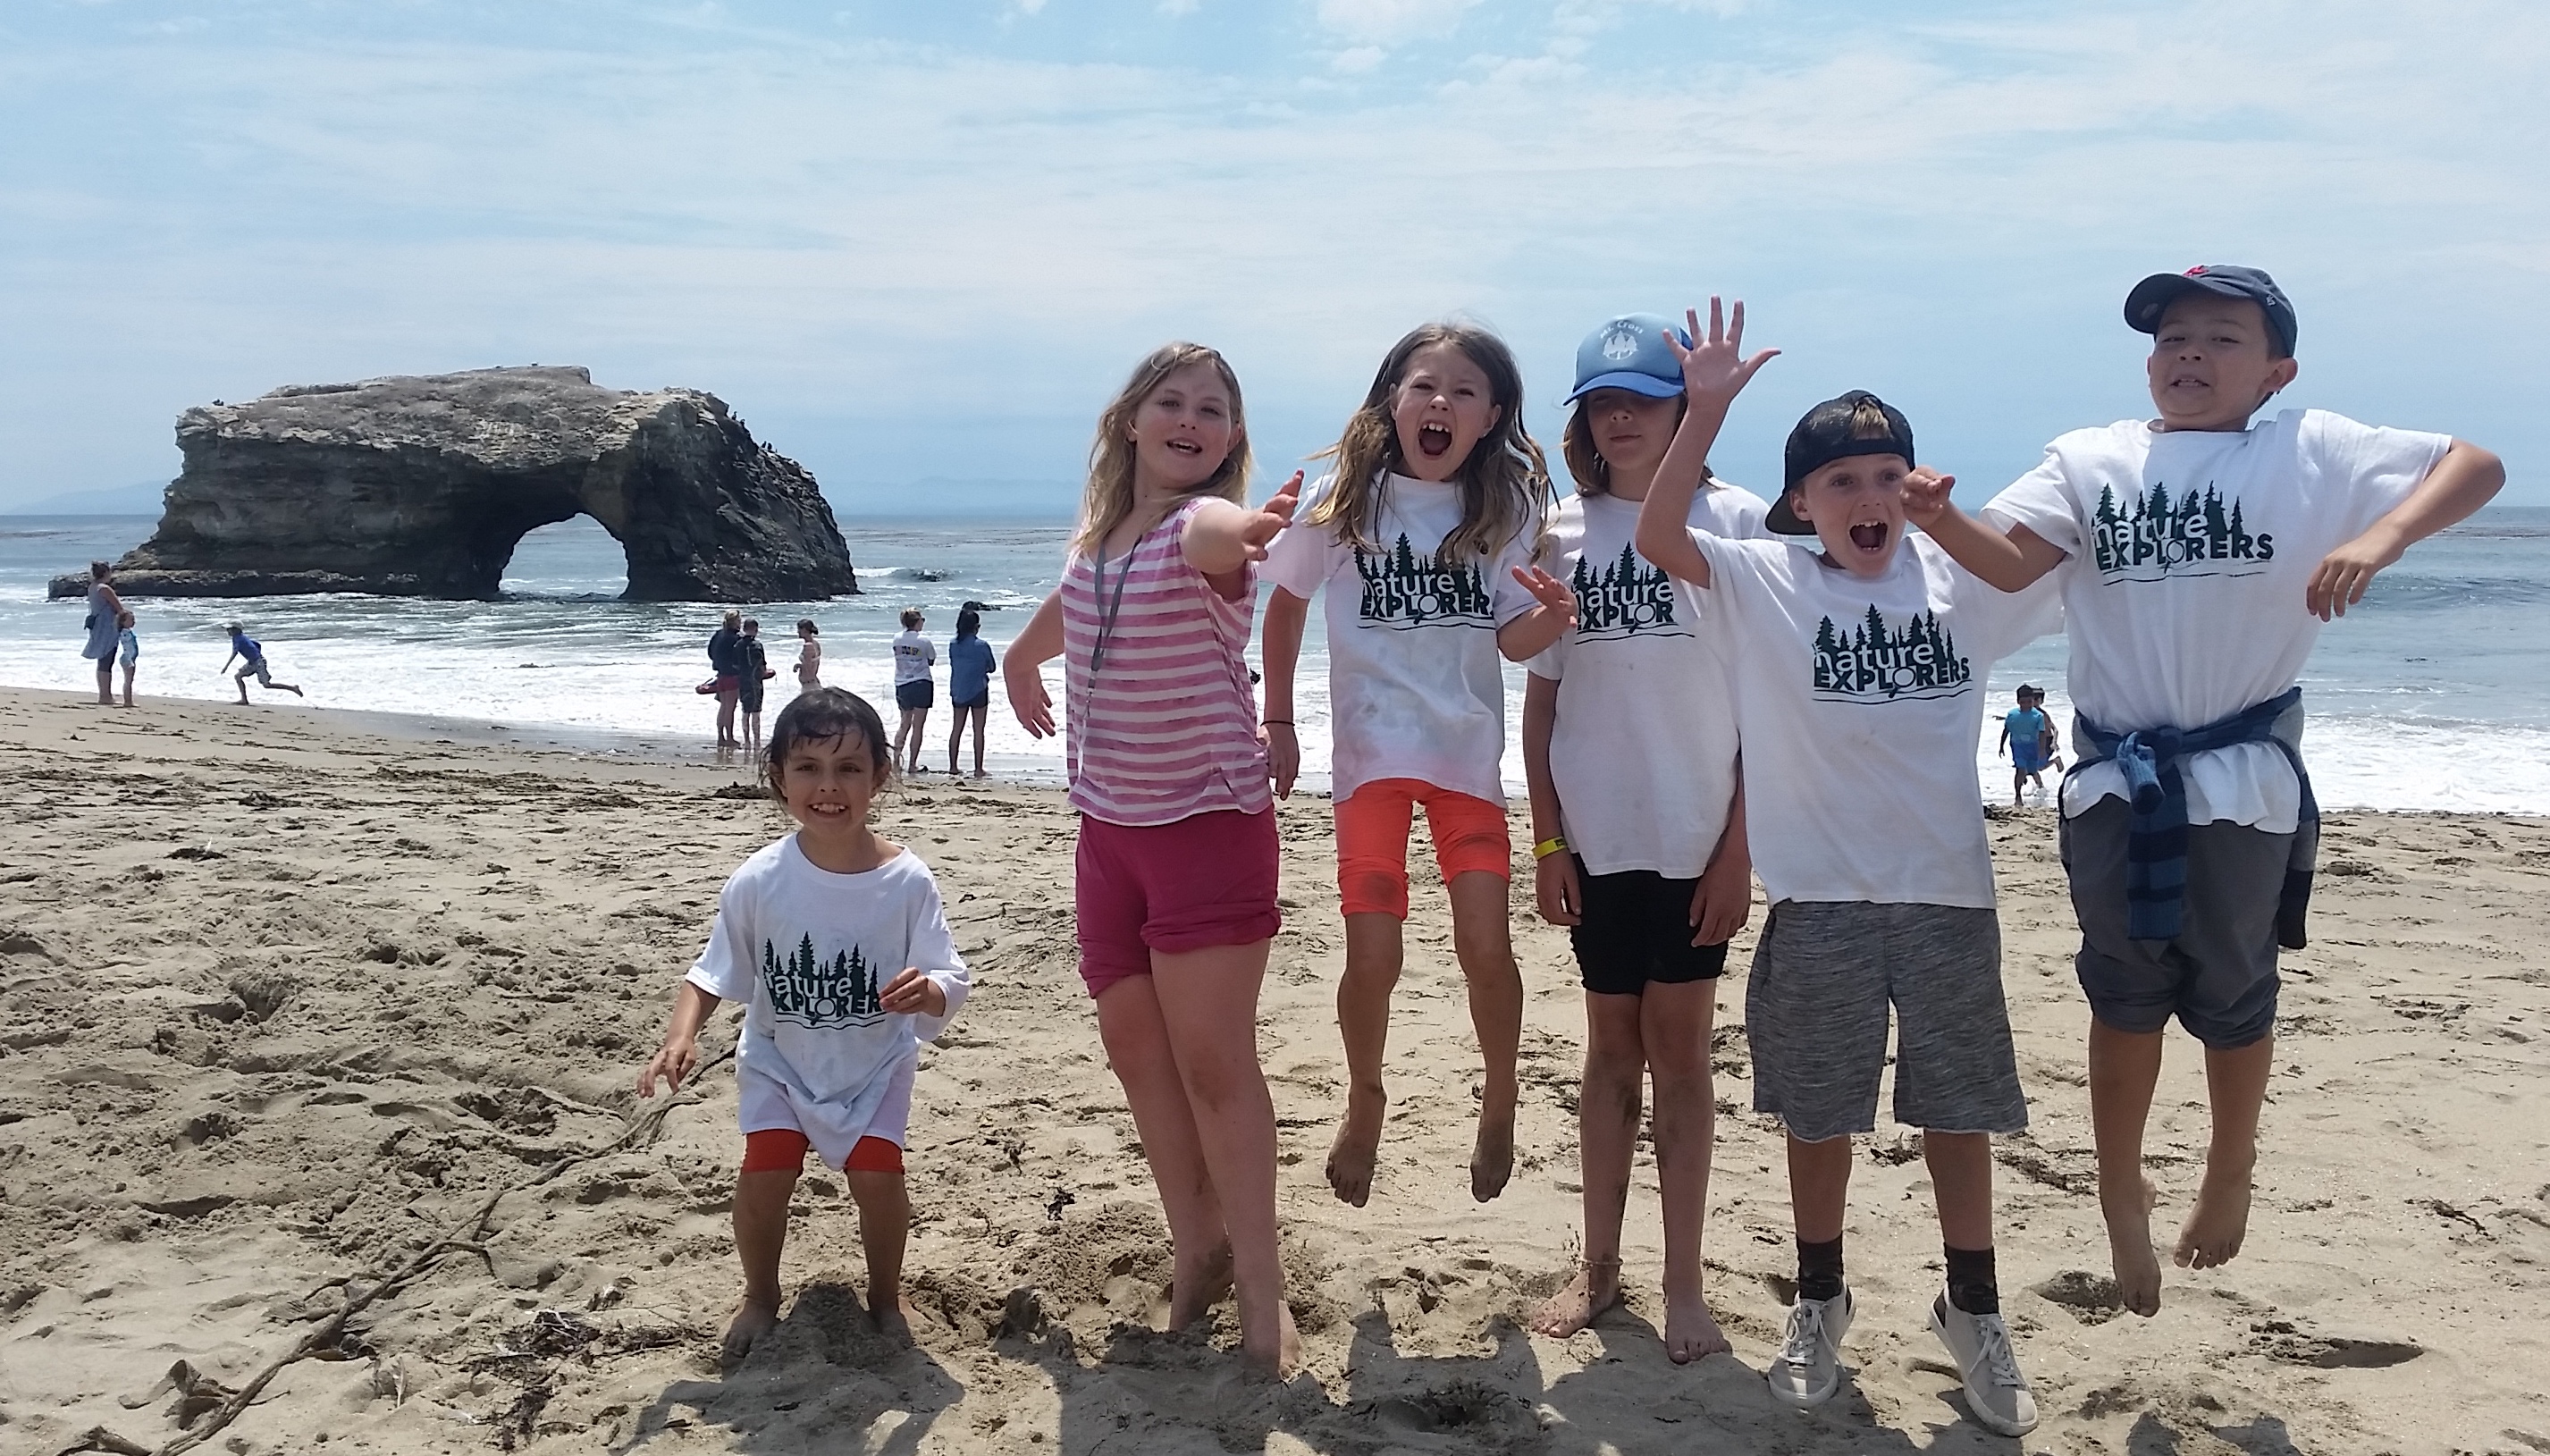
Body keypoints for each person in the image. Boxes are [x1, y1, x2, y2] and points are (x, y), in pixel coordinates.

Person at [1902, 264, 2506, 1318]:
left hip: (2242, 779)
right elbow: (2006, 569)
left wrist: (2382, 534)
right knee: (2121, 987)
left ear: (2277, 370)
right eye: (2174, 337)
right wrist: (1940, 519)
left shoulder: (2312, 447)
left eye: (2222, 340)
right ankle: (2120, 1184)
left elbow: (2478, 463)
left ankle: (2231, 1164)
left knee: (2233, 989)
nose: (2190, 354)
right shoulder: (2091, 460)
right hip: (2112, 778)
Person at [1632, 301, 2059, 1436]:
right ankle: (1820, 1297)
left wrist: (1951, 517)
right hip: (1818, 899)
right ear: (1802, 504)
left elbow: (2043, 572)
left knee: (1956, 1112)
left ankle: (1972, 1309)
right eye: (1841, 483)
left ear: (1912, 487)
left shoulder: (1955, 583)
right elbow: (1661, 538)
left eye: (1887, 477)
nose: (1867, 501)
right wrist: (1706, 409)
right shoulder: (1771, 583)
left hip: (1946, 896)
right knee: (1818, 1115)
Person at [1002, 341, 1301, 1374]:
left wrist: (1262, 528)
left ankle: (1266, 1301)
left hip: (1206, 830)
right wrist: (1015, 657)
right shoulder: (1099, 537)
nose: (1191, 418)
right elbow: (1073, 598)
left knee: (1216, 1067)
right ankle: (1198, 1246)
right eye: (1171, 401)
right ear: (1130, 420)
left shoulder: (1196, 528)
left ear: (1229, 440)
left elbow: (1227, 536)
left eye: (1212, 409)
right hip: (1107, 836)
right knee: (1140, 1058)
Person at [1261, 322, 1577, 1210]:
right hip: (1368, 763)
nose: (1440, 404)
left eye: (1464, 391)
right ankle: (1364, 1097)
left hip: (1467, 761)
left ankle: (1501, 1093)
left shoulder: (1508, 509)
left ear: (1493, 415)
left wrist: (1555, 621)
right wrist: (1277, 719)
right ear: (1392, 401)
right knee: (1373, 957)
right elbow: (1284, 605)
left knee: (1486, 946)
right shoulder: (1345, 496)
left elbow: (1513, 640)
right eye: (1423, 387)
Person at [1519, 315, 1767, 1363]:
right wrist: (1546, 843)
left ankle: (1683, 1284)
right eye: (1601, 404)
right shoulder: (1559, 533)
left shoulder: (1741, 521)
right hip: (1597, 840)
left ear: (1684, 411)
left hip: (1695, 838)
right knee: (1608, 1052)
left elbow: (1771, 703)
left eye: (1643, 400)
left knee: (1682, 1056)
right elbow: (1540, 706)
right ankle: (1603, 1269)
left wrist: (1738, 852)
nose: (1620, 419)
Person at [636, 688, 970, 1362]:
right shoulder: (760, 879)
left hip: (873, 1066)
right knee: (766, 1170)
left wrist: (928, 991)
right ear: (778, 778)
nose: (828, 786)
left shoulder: (905, 880)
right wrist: (681, 1034)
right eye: (808, 766)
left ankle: (884, 1295)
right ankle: (760, 1294)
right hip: (778, 1063)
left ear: (881, 774)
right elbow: (710, 973)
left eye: (849, 767)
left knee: (878, 1177)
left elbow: (950, 976)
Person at [946, 608, 995, 778]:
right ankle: (978, 769)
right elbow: (992, 667)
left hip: (958, 689)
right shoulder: (982, 645)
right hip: (978, 689)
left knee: (956, 729)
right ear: (976, 627)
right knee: (978, 730)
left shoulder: (953, 644)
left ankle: (953, 766)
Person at [890, 609, 936, 773]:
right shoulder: (923, 640)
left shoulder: (897, 639)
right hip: (921, 682)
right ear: (917, 621)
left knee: (904, 723)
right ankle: (912, 764)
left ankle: (896, 760)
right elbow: (931, 660)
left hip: (902, 683)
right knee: (918, 726)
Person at [222, 622, 304, 704]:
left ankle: (293, 688)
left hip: (258, 663)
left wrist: (226, 667)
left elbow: (234, 653)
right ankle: (244, 699)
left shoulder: (239, 640)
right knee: (238, 676)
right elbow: (257, 645)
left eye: (230, 629)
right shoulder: (240, 638)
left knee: (267, 685)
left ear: (236, 630)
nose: (227, 631)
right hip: (254, 661)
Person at [1999, 686, 2052, 806]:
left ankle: (2040, 788)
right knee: (2020, 769)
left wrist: (2042, 749)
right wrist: (2001, 745)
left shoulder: (2038, 716)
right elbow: (2006, 729)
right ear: (2018, 701)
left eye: (2029, 702)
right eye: (2023, 702)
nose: (2026, 705)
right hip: (2017, 746)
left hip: (2032, 746)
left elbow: (2042, 733)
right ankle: (2018, 796)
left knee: (2033, 770)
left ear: (2033, 701)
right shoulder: (2012, 714)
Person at [79, 561, 122, 706]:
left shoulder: (92, 588)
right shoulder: (105, 589)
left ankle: (104, 694)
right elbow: (119, 609)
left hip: (97, 625)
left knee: (102, 660)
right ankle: (106, 696)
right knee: (107, 659)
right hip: (108, 626)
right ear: (106, 573)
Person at [706, 610, 745, 749]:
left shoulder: (718, 634)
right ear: (735, 621)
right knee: (730, 708)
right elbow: (741, 657)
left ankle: (721, 737)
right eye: (739, 620)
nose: (740, 622)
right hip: (732, 676)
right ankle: (729, 738)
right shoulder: (736, 638)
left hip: (720, 675)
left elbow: (710, 652)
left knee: (723, 707)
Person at [737, 618, 772, 757]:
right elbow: (762, 666)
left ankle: (747, 741)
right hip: (756, 682)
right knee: (756, 712)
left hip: (743, 681)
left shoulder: (738, 645)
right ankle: (757, 740)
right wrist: (765, 673)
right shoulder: (757, 645)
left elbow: (736, 665)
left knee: (745, 711)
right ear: (754, 629)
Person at [115, 609, 138, 709]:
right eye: (131, 620)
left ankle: (129, 700)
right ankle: (127, 701)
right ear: (123, 622)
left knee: (130, 680)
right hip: (127, 659)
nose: (133, 622)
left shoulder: (128, 631)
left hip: (131, 658)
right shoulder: (124, 632)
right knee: (128, 681)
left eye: (133, 620)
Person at [794, 619, 821, 691]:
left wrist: (798, 665)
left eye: (799, 629)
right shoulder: (816, 644)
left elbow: (807, 669)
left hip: (809, 686)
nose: (798, 631)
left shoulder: (808, 646)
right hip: (813, 682)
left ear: (805, 630)